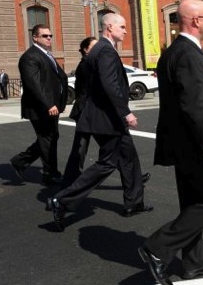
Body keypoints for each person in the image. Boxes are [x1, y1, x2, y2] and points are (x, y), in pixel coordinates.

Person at [138, 0, 203, 285]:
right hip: (196, 145)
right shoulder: (188, 54)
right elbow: (196, 107)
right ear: (193, 21)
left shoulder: (174, 52)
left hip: (182, 144)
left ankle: (194, 261)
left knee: (193, 201)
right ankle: (157, 247)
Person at [47, 14, 153, 232]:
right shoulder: (104, 50)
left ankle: (134, 203)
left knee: (129, 157)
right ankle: (62, 200)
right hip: (107, 118)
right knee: (107, 162)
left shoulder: (101, 49)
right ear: (110, 27)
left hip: (104, 117)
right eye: (122, 27)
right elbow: (109, 84)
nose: (125, 30)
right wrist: (126, 112)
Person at [61, 37, 151, 188]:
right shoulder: (87, 64)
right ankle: (69, 184)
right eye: (94, 46)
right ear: (86, 50)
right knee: (90, 150)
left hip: (91, 111)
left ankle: (132, 178)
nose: (98, 49)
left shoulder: (93, 62)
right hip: (88, 112)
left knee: (110, 149)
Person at [11, 25, 68, 186]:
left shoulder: (46, 54)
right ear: (35, 38)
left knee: (50, 138)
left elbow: (59, 77)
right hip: (40, 108)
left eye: (50, 35)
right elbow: (34, 84)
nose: (49, 38)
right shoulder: (30, 57)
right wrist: (49, 104)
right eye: (45, 36)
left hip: (51, 106)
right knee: (47, 139)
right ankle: (50, 174)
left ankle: (20, 161)